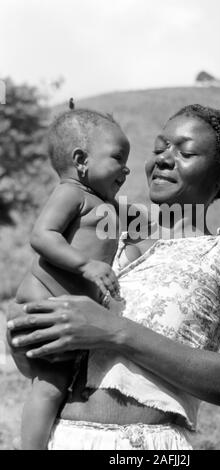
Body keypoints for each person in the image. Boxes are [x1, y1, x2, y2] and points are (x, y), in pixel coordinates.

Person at [7, 104, 220, 450]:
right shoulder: (104, 233)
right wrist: (26, 332)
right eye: (159, 148)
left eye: (185, 152)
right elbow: (46, 300)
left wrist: (116, 331)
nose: (163, 158)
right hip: (61, 439)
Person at [14, 108, 131, 449]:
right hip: (44, 298)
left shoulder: (101, 202)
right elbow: (42, 235)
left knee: (64, 381)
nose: (126, 168)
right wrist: (86, 266)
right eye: (118, 158)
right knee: (50, 384)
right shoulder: (72, 193)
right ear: (81, 160)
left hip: (60, 307)